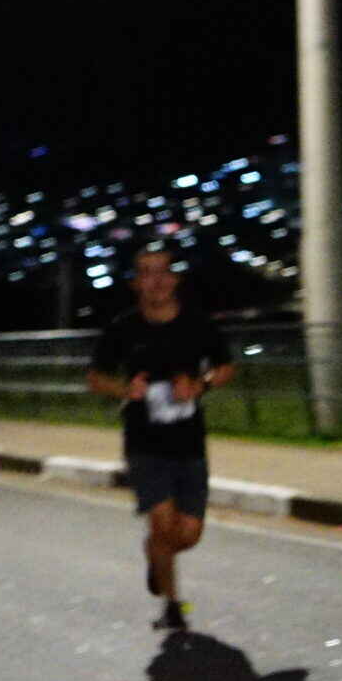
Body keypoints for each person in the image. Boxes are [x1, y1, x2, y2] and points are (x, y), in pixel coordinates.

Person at [87, 246, 235, 630]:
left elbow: (226, 368)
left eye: (162, 272)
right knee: (162, 523)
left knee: (187, 534)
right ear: (136, 283)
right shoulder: (123, 328)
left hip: (189, 443)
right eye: (146, 273)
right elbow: (95, 378)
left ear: (175, 279)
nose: (155, 280)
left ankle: (156, 555)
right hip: (144, 444)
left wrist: (200, 384)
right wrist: (125, 390)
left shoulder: (198, 324)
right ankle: (171, 604)